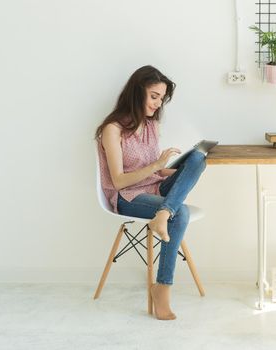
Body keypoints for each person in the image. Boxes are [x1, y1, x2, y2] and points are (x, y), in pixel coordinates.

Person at [95, 65, 206, 320]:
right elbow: (119, 181)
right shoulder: (113, 129)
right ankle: (163, 288)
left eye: (161, 98)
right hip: (128, 196)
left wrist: (179, 171)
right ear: (137, 92)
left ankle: (163, 214)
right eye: (154, 96)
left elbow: (155, 175)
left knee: (198, 159)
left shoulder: (151, 125)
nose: (158, 104)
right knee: (182, 212)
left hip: (154, 188)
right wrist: (157, 165)